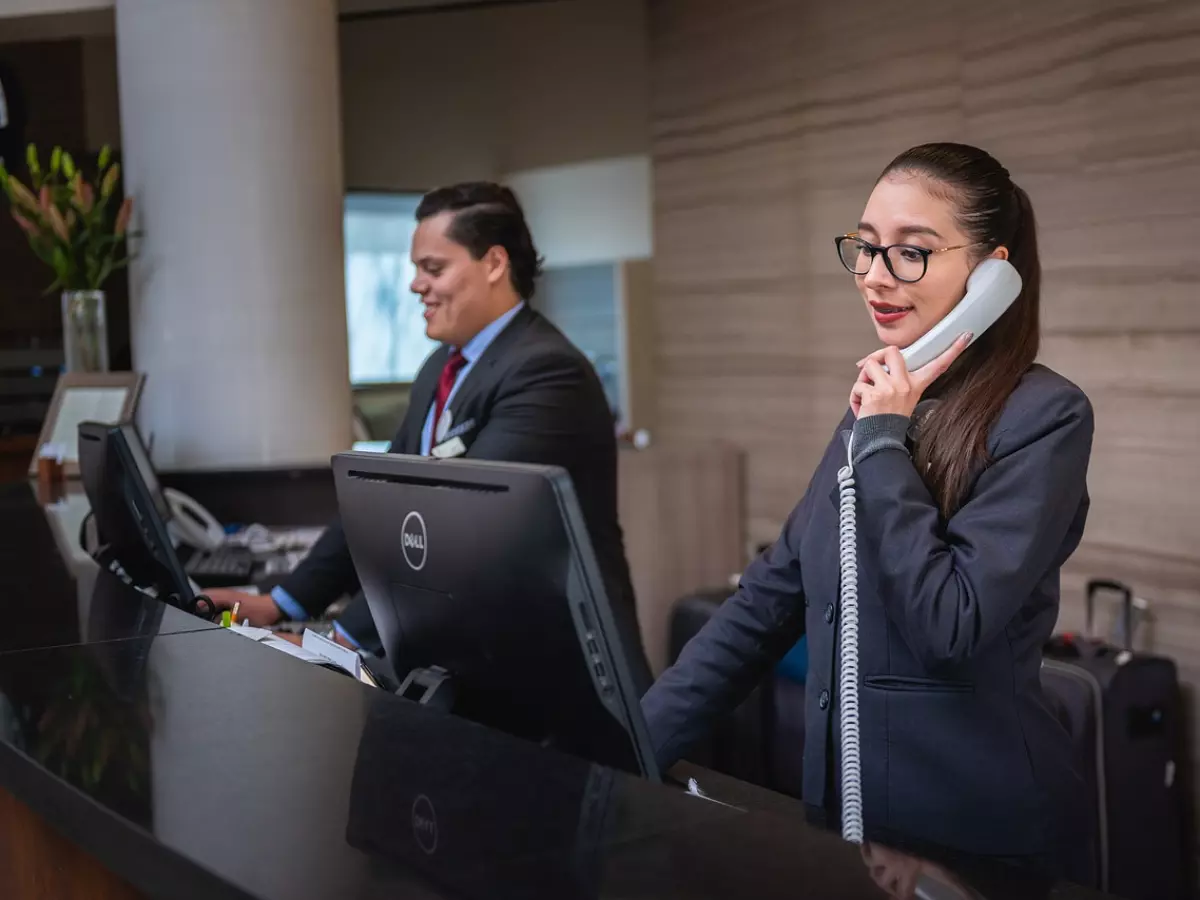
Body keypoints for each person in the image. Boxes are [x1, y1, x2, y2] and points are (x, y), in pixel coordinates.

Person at [642, 143, 1094, 878]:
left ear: (992, 276)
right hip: (845, 828)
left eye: (911, 253)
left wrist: (884, 436)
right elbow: (767, 601)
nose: (876, 277)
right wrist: (628, 744)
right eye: (867, 248)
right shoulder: (878, 408)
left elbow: (952, 622)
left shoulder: (1044, 417)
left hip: (972, 843)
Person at [210, 182, 650, 688]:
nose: (416, 285)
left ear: (494, 264)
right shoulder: (440, 367)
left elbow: (456, 535)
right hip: (472, 661)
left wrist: (338, 644)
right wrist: (281, 603)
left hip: (557, 676)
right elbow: (377, 507)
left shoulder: (546, 373)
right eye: (416, 268)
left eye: (433, 268)